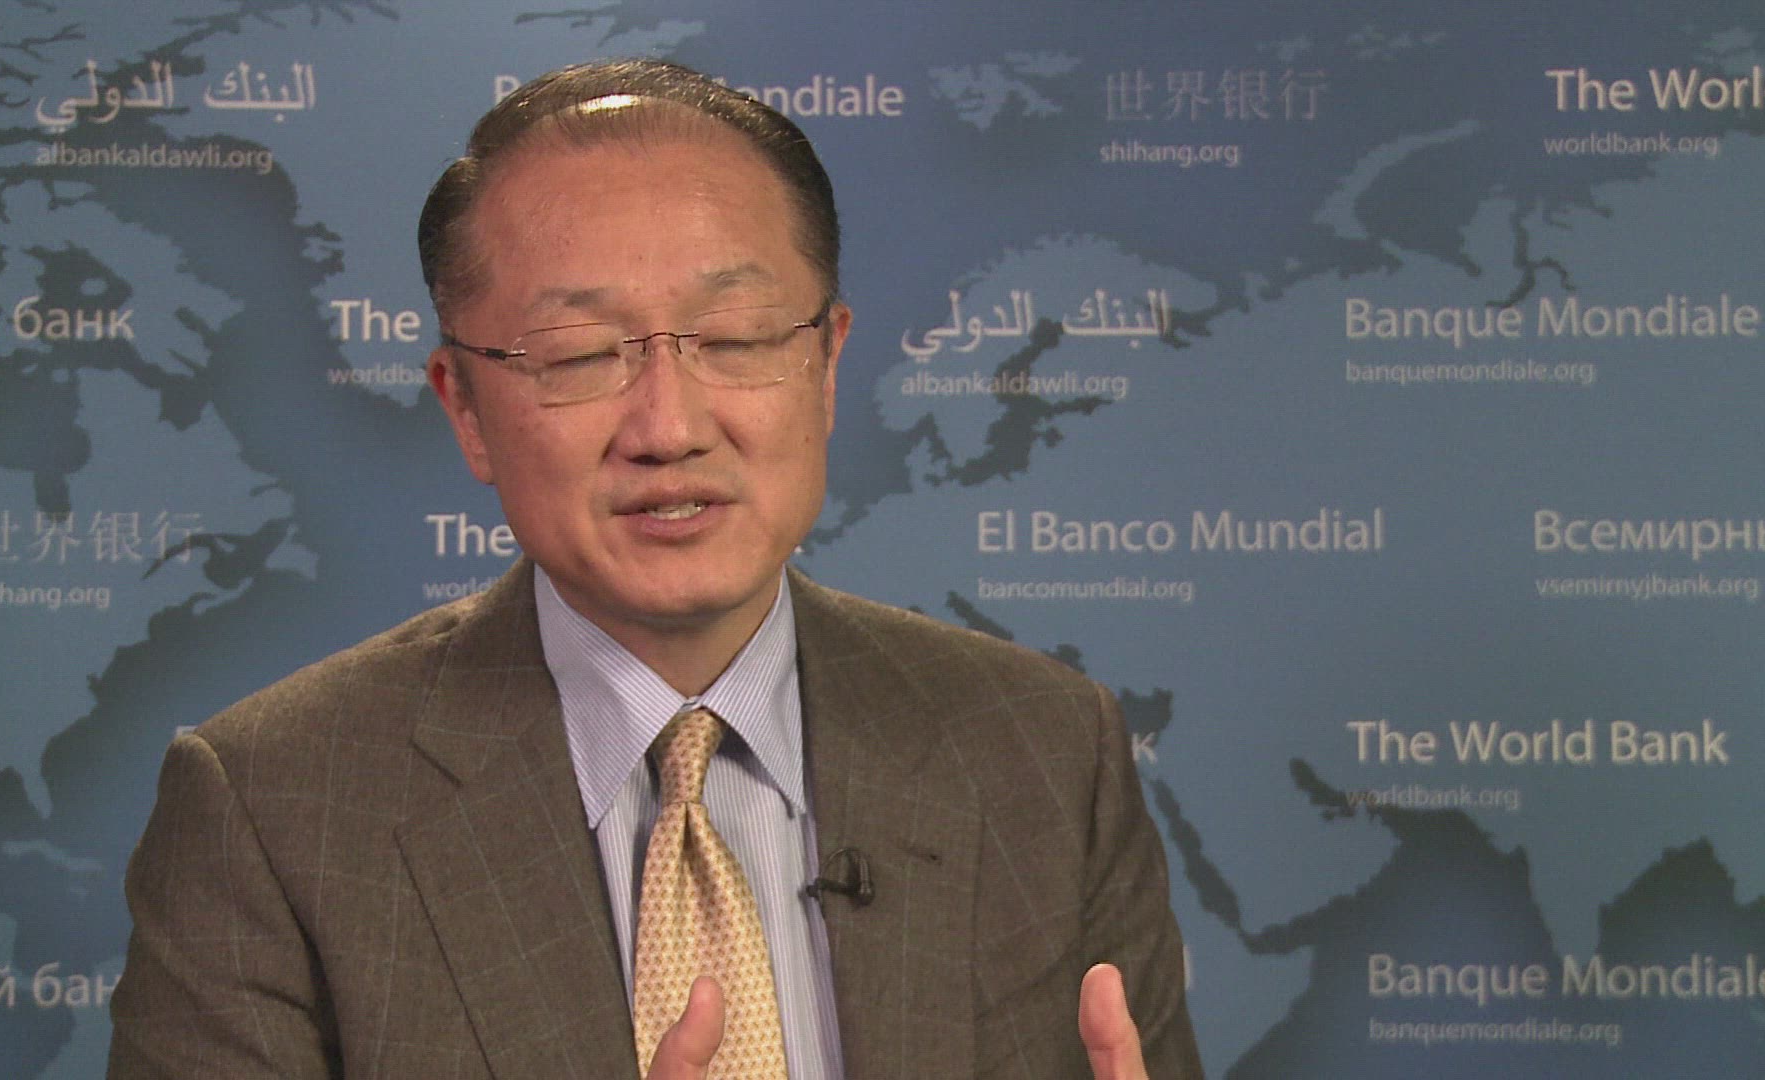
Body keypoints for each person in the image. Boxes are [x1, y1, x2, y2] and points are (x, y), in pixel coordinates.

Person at [109, 58, 1201, 1079]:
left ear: (826, 364)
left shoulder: (1044, 752)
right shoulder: (273, 813)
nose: (669, 428)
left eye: (735, 337)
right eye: (581, 355)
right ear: (466, 409)